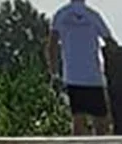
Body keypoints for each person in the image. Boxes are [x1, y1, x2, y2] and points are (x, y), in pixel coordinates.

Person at [48, 0, 117, 136]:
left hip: (73, 77)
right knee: (101, 123)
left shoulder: (60, 15)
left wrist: (54, 73)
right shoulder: (92, 15)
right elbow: (110, 42)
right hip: (93, 78)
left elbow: (52, 46)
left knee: (78, 121)